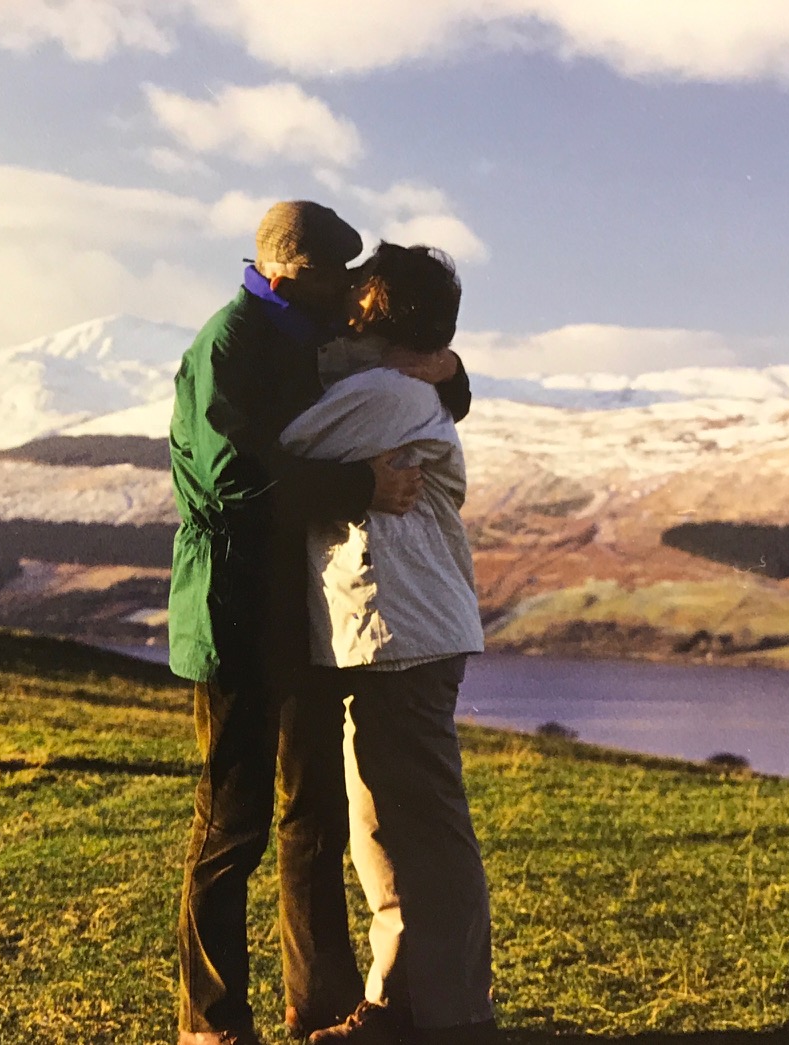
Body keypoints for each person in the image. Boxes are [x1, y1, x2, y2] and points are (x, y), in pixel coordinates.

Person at [168, 204, 473, 1045]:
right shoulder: (228, 344)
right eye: (335, 280)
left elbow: (401, 371)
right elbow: (236, 485)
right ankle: (212, 1020)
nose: (348, 296)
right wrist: (357, 487)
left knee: (311, 814)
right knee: (232, 824)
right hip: (232, 613)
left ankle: (320, 1001)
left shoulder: (305, 333)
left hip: (299, 616)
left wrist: (445, 365)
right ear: (285, 275)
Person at [278, 243, 495, 1045]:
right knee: (384, 828)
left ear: (373, 311)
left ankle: (457, 1015)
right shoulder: (401, 383)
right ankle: (398, 1002)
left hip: (405, 633)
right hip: (385, 634)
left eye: (356, 295)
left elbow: (281, 443)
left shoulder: (383, 393)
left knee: (425, 830)